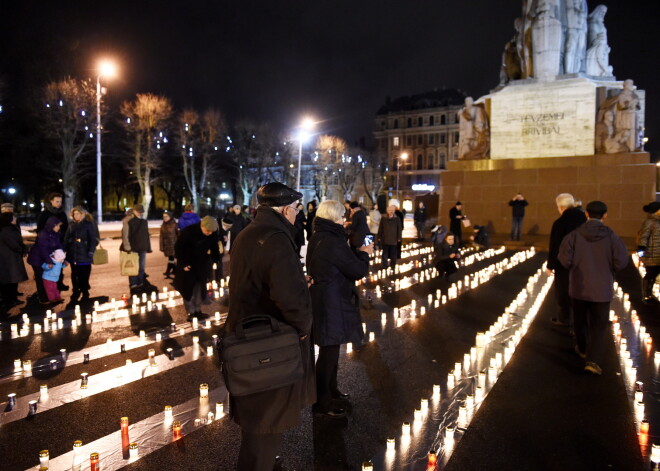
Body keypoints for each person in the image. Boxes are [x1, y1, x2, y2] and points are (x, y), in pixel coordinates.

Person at [225, 182, 314, 471]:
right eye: (297, 209)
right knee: (268, 421)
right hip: (270, 340)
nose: (298, 214)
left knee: (256, 420)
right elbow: (288, 296)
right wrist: (303, 326)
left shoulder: (248, 233)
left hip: (245, 334)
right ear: (286, 209)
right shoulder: (276, 238)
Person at [307, 200, 372, 419]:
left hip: (323, 299)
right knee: (328, 354)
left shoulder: (318, 236)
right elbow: (356, 270)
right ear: (335, 217)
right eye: (343, 216)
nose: (345, 219)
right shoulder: (332, 241)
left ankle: (330, 391)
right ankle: (322, 403)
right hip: (332, 302)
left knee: (330, 351)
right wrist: (364, 253)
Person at [558, 201, 628, 375]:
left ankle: (582, 348)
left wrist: (576, 267)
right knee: (599, 325)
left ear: (587, 214)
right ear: (605, 215)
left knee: (580, 321)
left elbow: (564, 259)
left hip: (579, 287)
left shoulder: (574, 235)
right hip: (602, 289)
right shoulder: (612, 237)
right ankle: (593, 361)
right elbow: (621, 260)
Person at [546, 193, 587, 328]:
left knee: (564, 291)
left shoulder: (559, 223)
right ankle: (579, 321)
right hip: (582, 262)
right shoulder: (585, 220)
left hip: (564, 263)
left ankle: (564, 319)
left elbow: (555, 245)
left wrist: (550, 265)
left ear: (560, 207)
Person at [174, 216, 220, 320]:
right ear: (202, 226)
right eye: (208, 231)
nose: (210, 233)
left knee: (199, 288)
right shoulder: (188, 232)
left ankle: (198, 310)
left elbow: (214, 247)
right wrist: (184, 264)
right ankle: (191, 313)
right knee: (188, 289)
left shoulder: (212, 233)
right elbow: (179, 248)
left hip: (201, 264)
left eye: (212, 232)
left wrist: (216, 259)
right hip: (188, 265)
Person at [64, 206, 98, 302]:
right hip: (73, 254)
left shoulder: (88, 224)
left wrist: (91, 251)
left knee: (84, 274)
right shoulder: (71, 225)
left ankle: (85, 291)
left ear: (82, 214)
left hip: (85, 253)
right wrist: (64, 250)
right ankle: (75, 290)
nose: (76, 216)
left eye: (78, 213)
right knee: (74, 274)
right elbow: (66, 239)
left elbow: (93, 239)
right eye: (74, 214)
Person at [27, 216, 64, 305]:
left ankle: (52, 296)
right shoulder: (43, 234)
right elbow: (43, 250)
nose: (59, 227)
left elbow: (58, 245)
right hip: (37, 260)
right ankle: (43, 298)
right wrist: (50, 261)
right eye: (58, 226)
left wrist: (62, 255)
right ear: (53, 225)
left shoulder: (55, 233)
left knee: (48, 278)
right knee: (41, 279)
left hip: (46, 258)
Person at [36, 192, 69, 291]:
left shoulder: (62, 214)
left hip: (59, 242)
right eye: (57, 201)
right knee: (49, 264)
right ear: (51, 201)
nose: (59, 203)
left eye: (60, 201)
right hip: (48, 243)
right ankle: (49, 285)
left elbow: (66, 227)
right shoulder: (44, 214)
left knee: (59, 263)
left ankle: (59, 283)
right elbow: (39, 229)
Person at [120, 204, 152, 293]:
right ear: (134, 211)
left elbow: (146, 235)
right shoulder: (128, 221)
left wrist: (147, 247)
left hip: (142, 247)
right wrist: (127, 247)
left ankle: (140, 283)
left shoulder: (143, 221)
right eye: (139, 211)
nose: (140, 213)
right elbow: (125, 235)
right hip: (132, 248)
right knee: (133, 267)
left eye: (141, 212)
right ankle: (134, 285)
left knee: (141, 268)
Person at [0, 212, 28, 313]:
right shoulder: (7, 230)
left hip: (9, 259)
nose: (15, 219)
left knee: (10, 281)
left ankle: (11, 299)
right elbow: (14, 244)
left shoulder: (7, 229)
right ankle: (10, 300)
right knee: (10, 280)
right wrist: (22, 249)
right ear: (9, 219)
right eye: (14, 217)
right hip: (10, 259)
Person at [637, 201, 660, 304]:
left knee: (655, 274)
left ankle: (650, 294)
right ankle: (646, 295)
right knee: (650, 274)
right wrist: (641, 248)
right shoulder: (649, 222)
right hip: (651, 253)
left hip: (658, 253)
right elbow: (644, 236)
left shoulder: (658, 221)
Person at [160, 211, 178, 279]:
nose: (165, 218)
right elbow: (161, 237)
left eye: (166, 216)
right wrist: (161, 246)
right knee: (171, 259)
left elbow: (178, 234)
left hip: (174, 244)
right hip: (167, 245)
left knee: (171, 259)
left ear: (170, 217)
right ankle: (174, 271)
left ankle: (168, 271)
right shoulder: (163, 225)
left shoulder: (174, 224)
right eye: (164, 216)